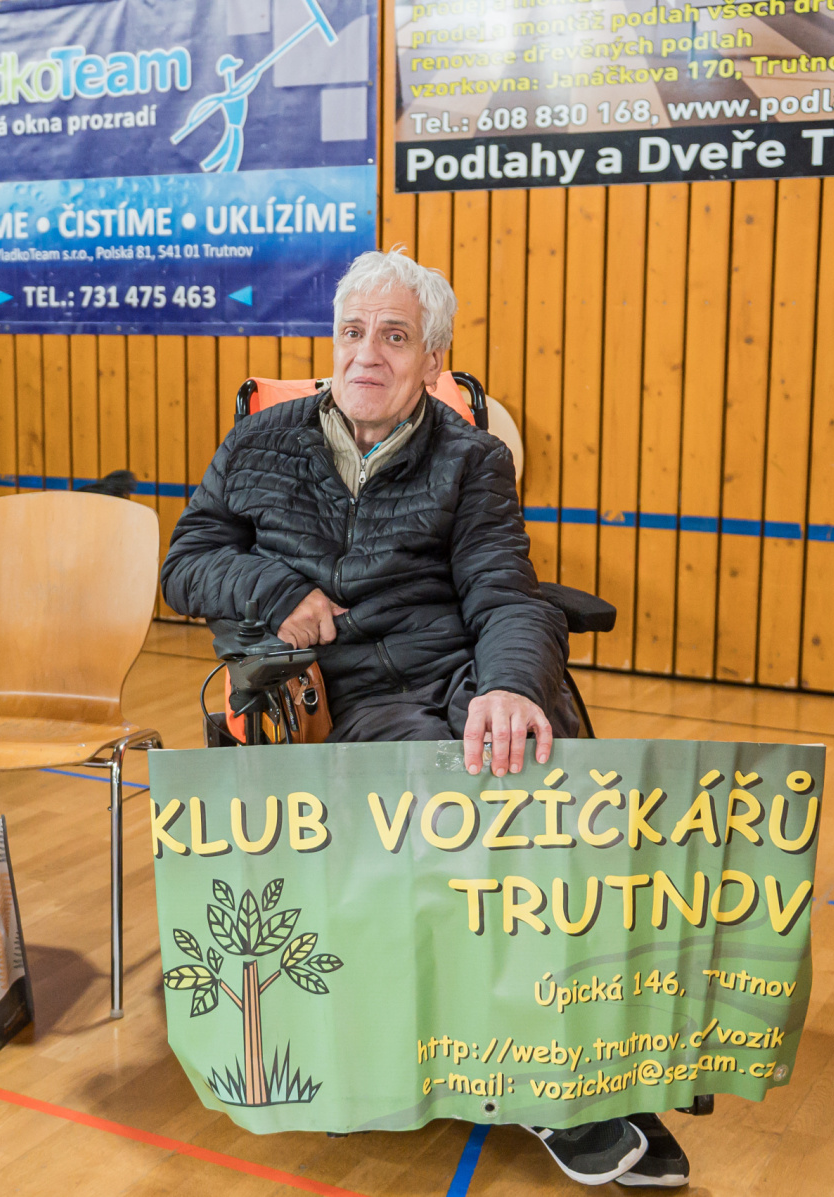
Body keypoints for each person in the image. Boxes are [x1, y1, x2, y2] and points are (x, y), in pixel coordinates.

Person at [160, 248, 689, 1190]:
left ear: (433, 360)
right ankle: (542, 1074)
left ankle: (588, 1051)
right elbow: (187, 562)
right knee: (454, 801)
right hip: (339, 693)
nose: (367, 354)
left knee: (550, 770)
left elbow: (505, 592)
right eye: (352, 332)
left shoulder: (471, 458)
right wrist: (274, 590)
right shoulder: (258, 444)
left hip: (457, 673)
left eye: (395, 337)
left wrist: (511, 686)